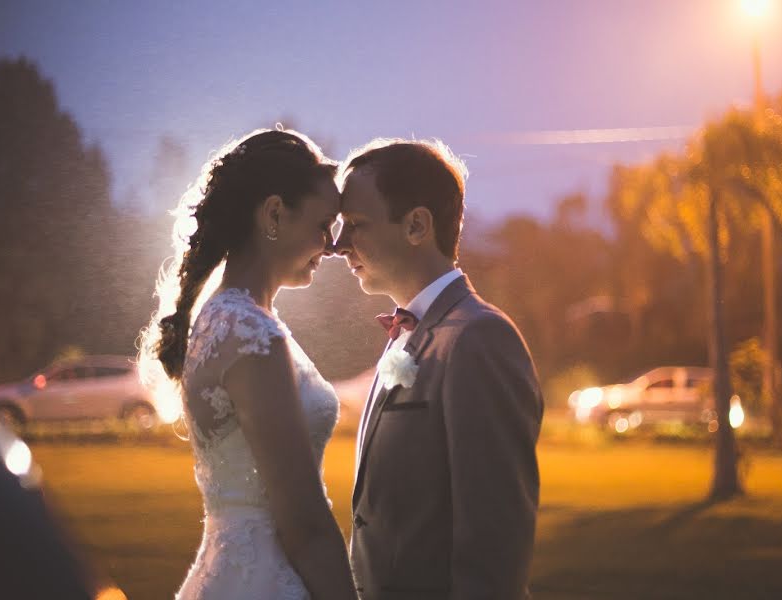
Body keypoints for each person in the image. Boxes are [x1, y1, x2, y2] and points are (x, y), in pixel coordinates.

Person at [138, 129, 356, 599]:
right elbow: (304, 522)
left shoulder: (222, 318)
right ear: (274, 213)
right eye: (324, 224)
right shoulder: (251, 334)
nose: (333, 245)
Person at [335, 139, 544, 599]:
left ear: (416, 225)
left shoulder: (478, 339)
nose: (338, 245)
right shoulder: (413, 332)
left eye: (355, 225)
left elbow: (495, 543)